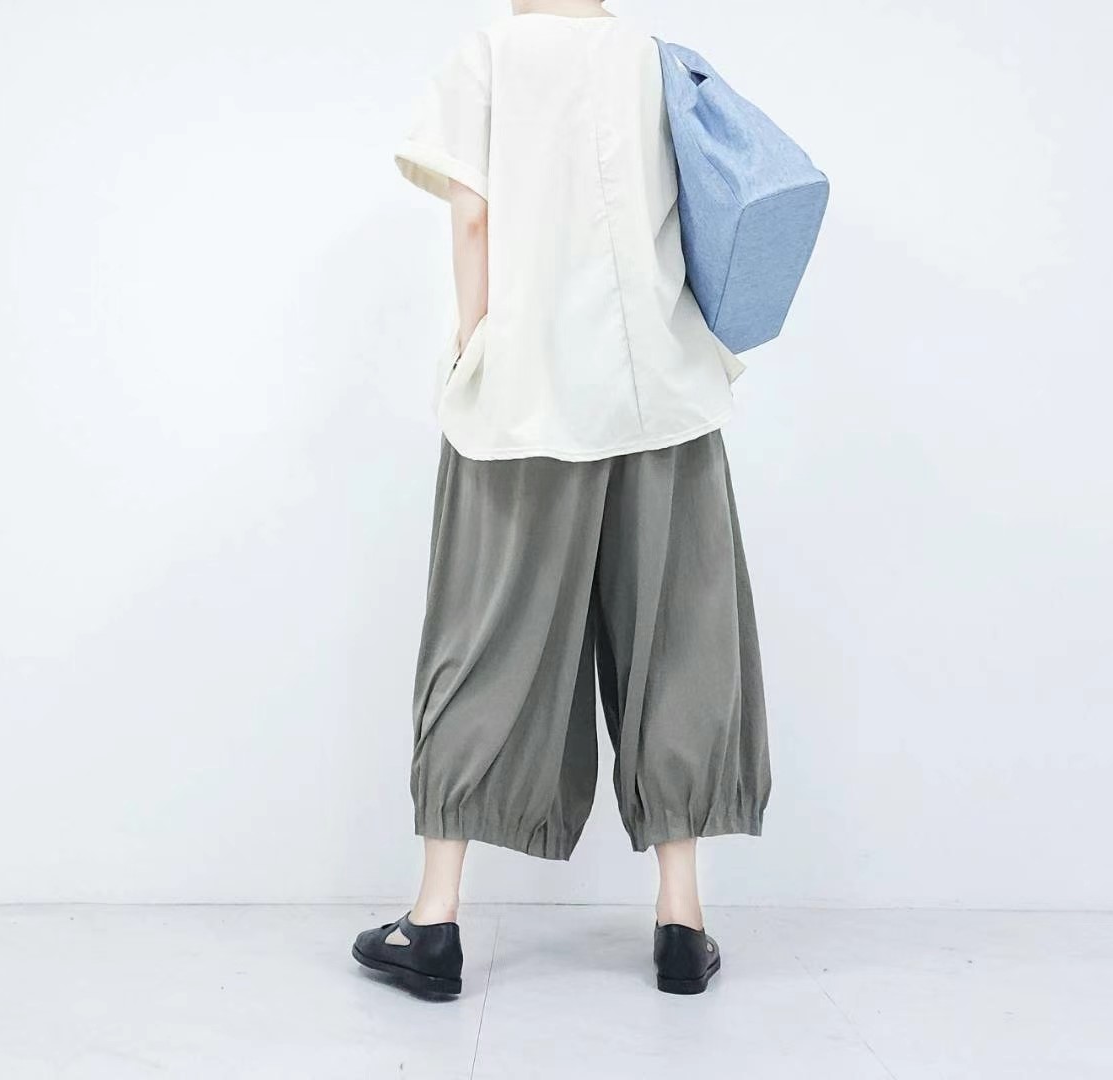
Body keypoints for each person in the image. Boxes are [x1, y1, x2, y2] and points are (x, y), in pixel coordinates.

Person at [351, 0, 771, 999]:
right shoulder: (655, 60)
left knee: (484, 637)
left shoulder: (489, 55)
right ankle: (681, 922)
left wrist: (472, 345)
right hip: (662, 394)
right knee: (677, 641)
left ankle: (435, 921)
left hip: (525, 398)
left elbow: (474, 217)